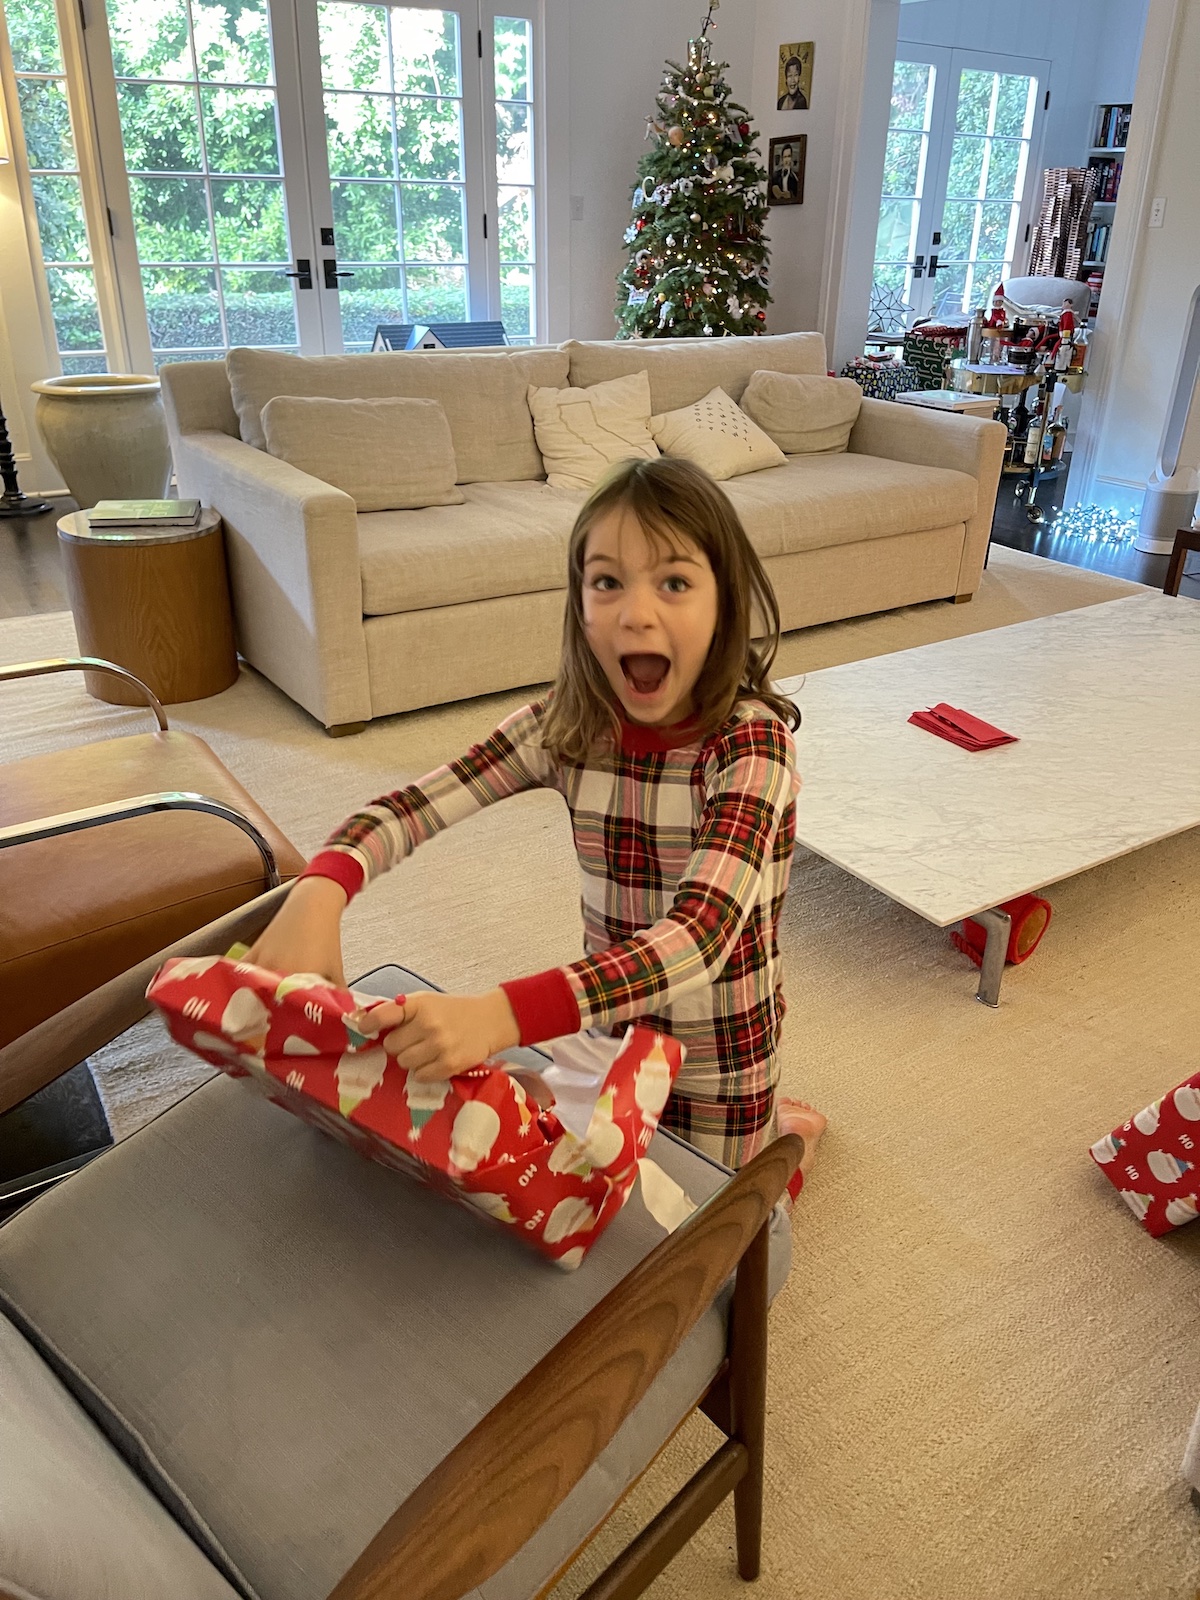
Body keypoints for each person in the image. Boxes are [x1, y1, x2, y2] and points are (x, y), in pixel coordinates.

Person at [248, 457, 825, 1195]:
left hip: (725, 1060)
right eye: (607, 581)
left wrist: (501, 1015)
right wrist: (320, 889)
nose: (636, 613)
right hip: (610, 1034)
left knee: (717, 1241)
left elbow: (700, 936)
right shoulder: (565, 727)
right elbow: (411, 807)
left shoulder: (750, 745)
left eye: (675, 582)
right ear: (580, 604)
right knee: (579, 1196)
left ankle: (788, 1143)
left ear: (725, 606)